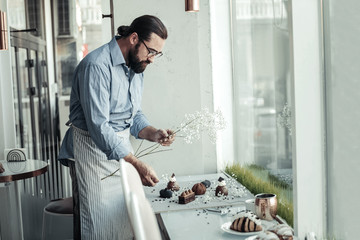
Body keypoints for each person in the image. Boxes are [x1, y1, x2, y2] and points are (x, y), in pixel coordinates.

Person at [58, 15, 175, 240]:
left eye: (156, 54)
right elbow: (99, 127)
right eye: (151, 51)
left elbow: (132, 115)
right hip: (91, 154)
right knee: (95, 227)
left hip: (121, 154)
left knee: (123, 222)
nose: (152, 60)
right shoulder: (96, 65)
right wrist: (135, 162)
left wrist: (153, 133)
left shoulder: (136, 67)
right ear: (133, 38)